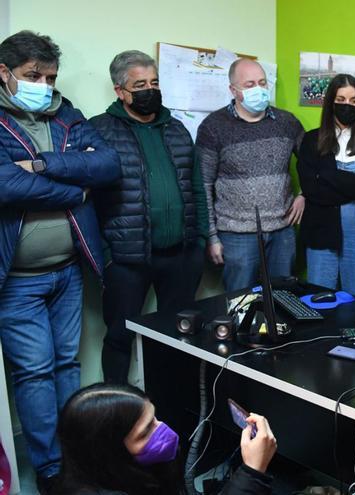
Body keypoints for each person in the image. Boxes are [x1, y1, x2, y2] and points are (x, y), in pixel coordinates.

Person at [0, 31, 121, 493]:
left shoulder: (65, 111)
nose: (44, 85)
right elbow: (6, 187)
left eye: (50, 76)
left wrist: (40, 165)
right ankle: (50, 468)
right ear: (5, 73)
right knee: (33, 371)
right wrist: (75, 184)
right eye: (34, 76)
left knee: (67, 364)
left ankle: (77, 455)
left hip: (69, 269)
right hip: (17, 278)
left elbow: (107, 166)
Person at [90, 50, 208, 384]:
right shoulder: (99, 131)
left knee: (179, 334)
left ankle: (173, 406)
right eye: (139, 84)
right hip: (126, 260)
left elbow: (196, 187)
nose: (149, 90)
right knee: (119, 336)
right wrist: (108, 255)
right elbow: (90, 199)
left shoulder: (176, 128)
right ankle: (116, 411)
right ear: (120, 91)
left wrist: (198, 241)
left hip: (181, 255)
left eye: (154, 82)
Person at [198, 58, 305, 291]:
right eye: (249, 85)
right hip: (236, 235)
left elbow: (313, 163)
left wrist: (303, 194)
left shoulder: (287, 122)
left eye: (262, 82)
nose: (258, 89)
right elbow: (203, 185)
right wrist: (212, 237)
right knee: (240, 305)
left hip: (282, 231)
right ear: (233, 90)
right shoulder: (213, 126)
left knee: (283, 303)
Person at [58, 383, 276, 494]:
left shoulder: (125, 474)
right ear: (111, 454)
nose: (163, 430)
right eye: (145, 432)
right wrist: (252, 472)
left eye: (155, 418)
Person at [297, 74, 355, 298]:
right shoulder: (311, 140)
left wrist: (327, 176)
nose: (348, 105)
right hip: (321, 232)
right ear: (331, 102)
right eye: (342, 99)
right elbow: (312, 191)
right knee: (319, 297)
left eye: (354, 101)